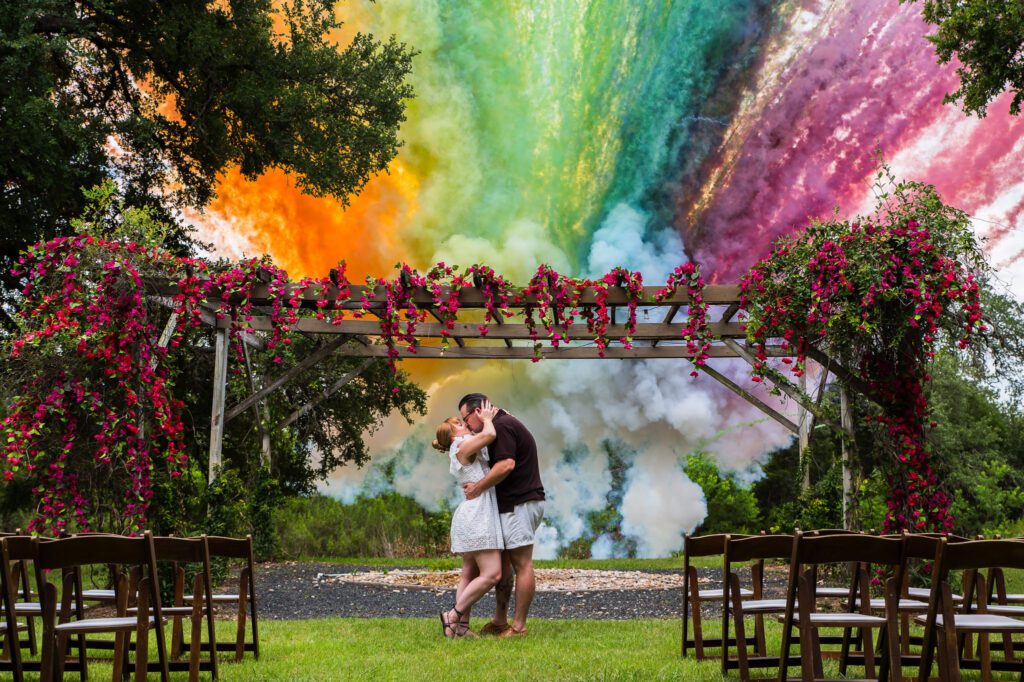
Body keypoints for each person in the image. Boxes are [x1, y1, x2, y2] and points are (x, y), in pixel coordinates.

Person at [458, 393, 545, 638]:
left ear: (477, 412)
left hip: (520, 503)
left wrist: (478, 487)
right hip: (513, 504)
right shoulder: (500, 423)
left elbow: (506, 464)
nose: (466, 426)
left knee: (522, 564)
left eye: (466, 420)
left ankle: (518, 628)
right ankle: (500, 621)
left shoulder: (503, 426)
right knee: (505, 564)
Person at [432, 400, 503, 638]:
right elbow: (490, 434)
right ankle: (453, 616)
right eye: (460, 425)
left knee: (468, 573)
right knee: (493, 574)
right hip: (477, 515)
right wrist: (487, 420)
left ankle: (460, 629)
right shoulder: (462, 447)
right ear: (453, 437)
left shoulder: (460, 447)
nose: (465, 425)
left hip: (471, 512)